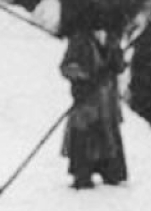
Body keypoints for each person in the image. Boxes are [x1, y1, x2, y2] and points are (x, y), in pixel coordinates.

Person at [60, 24, 128, 189]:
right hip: (87, 99)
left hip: (107, 99)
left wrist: (117, 61)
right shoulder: (79, 40)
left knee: (108, 134)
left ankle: (110, 172)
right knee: (85, 136)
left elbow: (119, 66)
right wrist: (84, 76)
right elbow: (66, 67)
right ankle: (83, 174)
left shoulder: (112, 39)